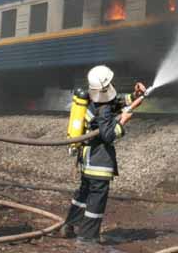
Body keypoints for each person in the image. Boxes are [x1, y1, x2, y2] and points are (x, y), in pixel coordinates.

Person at [60, 65, 146, 244]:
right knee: (96, 199)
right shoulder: (104, 108)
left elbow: (116, 102)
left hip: (87, 159)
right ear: (106, 86)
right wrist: (123, 121)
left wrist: (135, 96)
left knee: (83, 194)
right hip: (99, 161)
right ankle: (87, 238)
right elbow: (108, 135)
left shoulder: (93, 99)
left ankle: (70, 225)